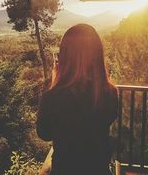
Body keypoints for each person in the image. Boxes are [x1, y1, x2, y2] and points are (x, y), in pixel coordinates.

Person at [37, 24, 118, 175]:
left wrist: (55, 83)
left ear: (64, 57)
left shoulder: (52, 97)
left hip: (65, 169)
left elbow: (44, 133)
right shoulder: (110, 93)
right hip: (98, 168)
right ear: (97, 55)